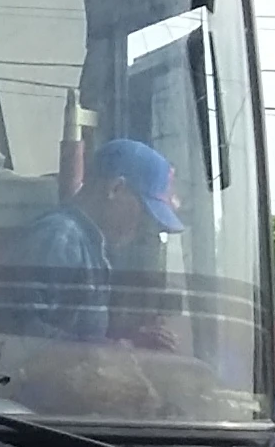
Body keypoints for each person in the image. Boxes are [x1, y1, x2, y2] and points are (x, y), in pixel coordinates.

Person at [14, 138, 180, 344]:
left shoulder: (91, 245)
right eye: (144, 214)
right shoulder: (61, 236)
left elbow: (77, 335)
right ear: (116, 189)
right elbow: (18, 332)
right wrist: (119, 349)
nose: (142, 228)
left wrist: (130, 340)